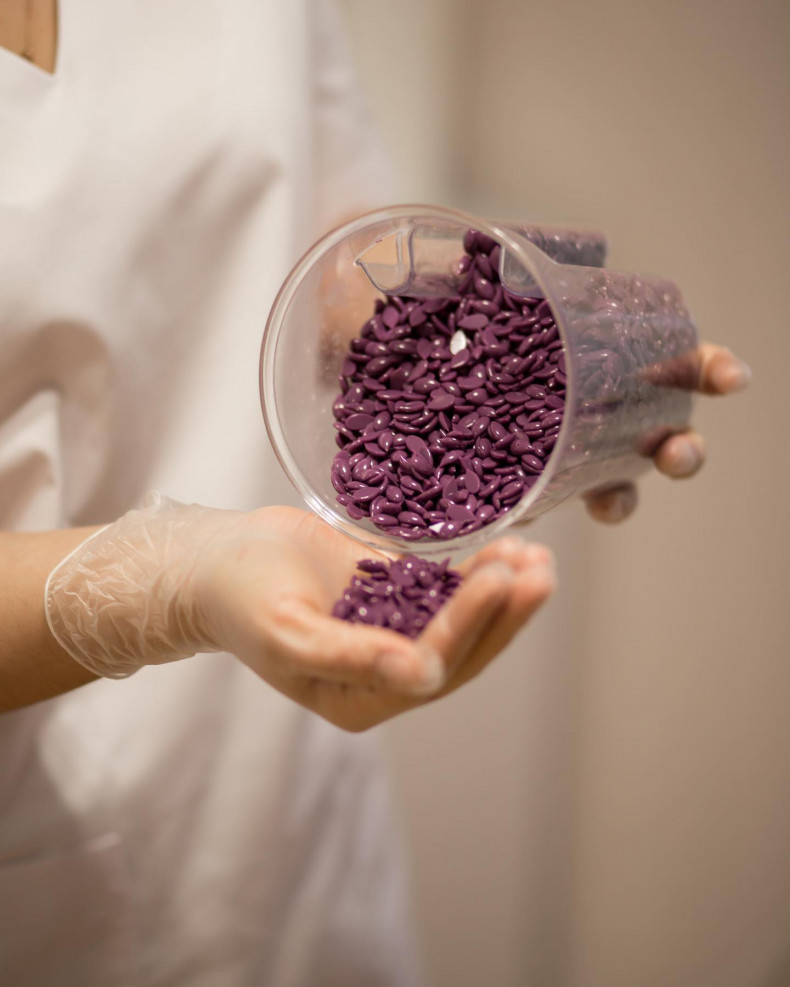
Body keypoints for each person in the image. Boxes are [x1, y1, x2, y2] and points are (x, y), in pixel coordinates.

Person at [0, 0, 751, 984]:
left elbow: (343, 265)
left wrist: (558, 366)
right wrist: (172, 580)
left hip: (293, 785)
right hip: (47, 824)